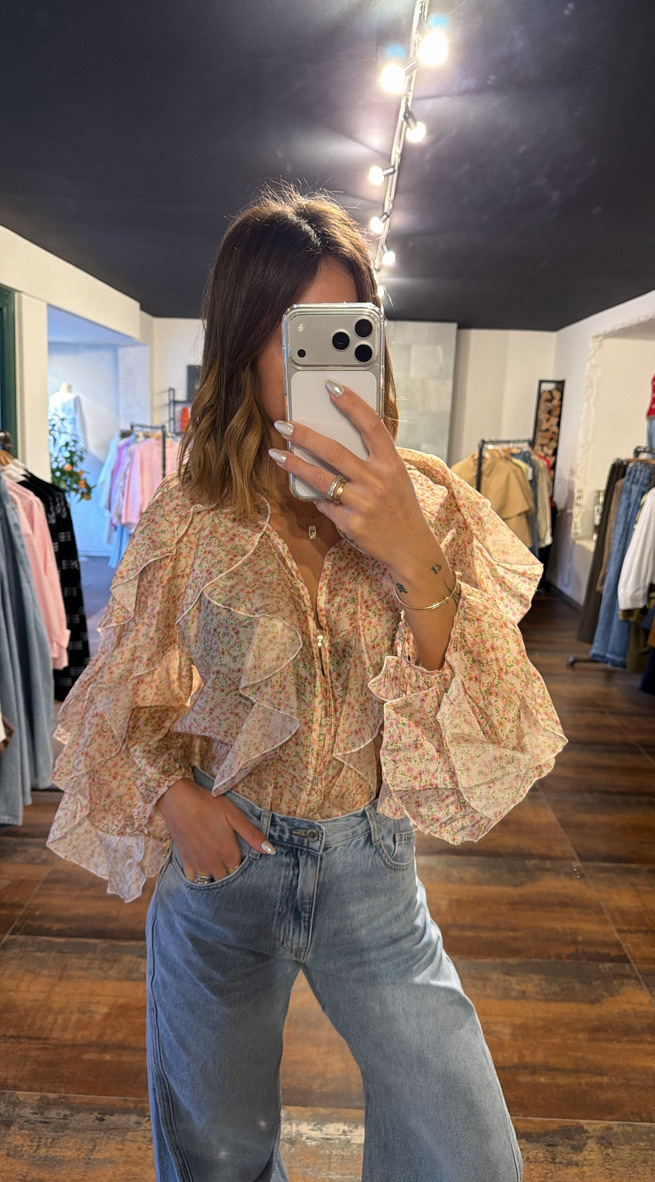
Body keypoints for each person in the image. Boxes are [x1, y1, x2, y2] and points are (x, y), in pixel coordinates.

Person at [48, 189, 566, 1182]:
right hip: (224, 871)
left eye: (346, 334)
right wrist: (171, 797)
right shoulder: (190, 515)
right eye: (295, 335)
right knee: (217, 1157)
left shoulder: (426, 499)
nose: (326, 364)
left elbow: (485, 714)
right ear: (244, 345)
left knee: (467, 1157)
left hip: (370, 873)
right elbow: (119, 697)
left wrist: (413, 554)